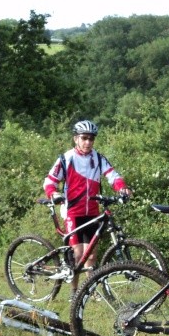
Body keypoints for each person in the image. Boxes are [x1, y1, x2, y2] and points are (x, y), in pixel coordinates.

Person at [43, 120, 132, 292]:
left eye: (91, 139)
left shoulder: (98, 158)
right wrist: (53, 194)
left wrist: (123, 188)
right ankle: (74, 292)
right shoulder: (66, 158)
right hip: (73, 212)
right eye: (84, 138)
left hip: (92, 212)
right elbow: (49, 181)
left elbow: (112, 175)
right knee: (77, 255)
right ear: (76, 138)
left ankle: (89, 290)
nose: (88, 142)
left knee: (91, 255)